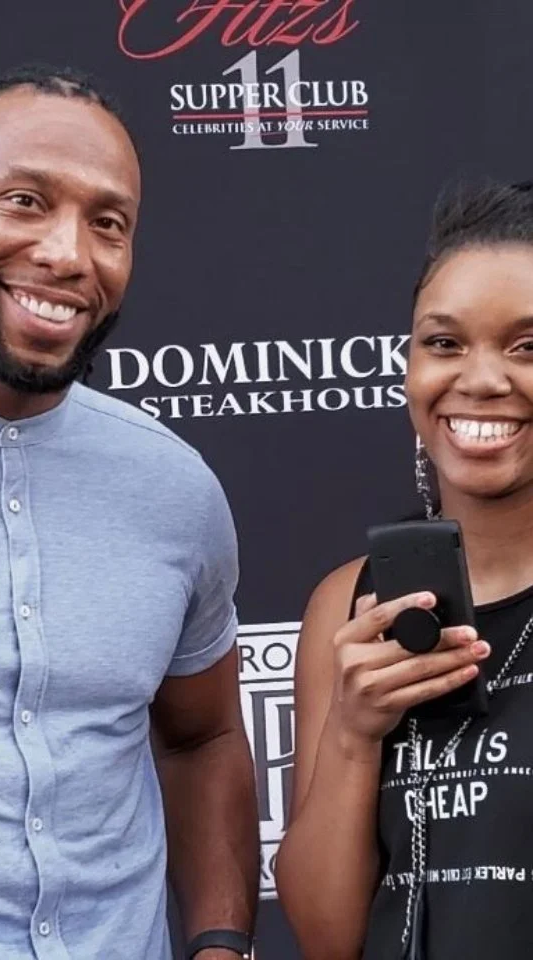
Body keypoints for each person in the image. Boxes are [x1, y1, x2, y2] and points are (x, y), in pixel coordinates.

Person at [0, 64, 259, 960]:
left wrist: (220, 944)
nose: (69, 255)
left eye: (108, 223)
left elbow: (203, 738)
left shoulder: (173, 488)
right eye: (25, 201)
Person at [276, 179, 533, 960]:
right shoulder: (348, 605)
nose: (480, 380)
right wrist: (355, 734)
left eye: (527, 347)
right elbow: (327, 937)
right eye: (444, 343)